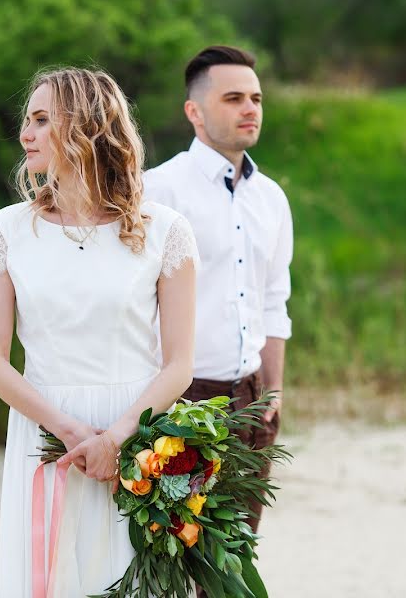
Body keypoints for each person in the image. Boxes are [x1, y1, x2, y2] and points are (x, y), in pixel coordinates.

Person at [0, 67, 199, 597]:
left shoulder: (164, 230)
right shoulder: (5, 231)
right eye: (27, 120)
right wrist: (72, 433)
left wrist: (116, 437)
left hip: (138, 435)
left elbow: (180, 364)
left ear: (88, 127)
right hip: (46, 433)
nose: (26, 134)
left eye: (43, 120)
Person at [143, 46, 293, 535]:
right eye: (233, 98)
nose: (250, 108)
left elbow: (274, 301)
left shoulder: (271, 199)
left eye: (256, 97)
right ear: (195, 111)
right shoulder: (156, 192)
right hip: (181, 404)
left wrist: (272, 394)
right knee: (172, 555)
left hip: (251, 403)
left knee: (234, 561)